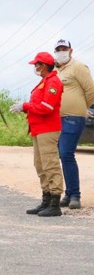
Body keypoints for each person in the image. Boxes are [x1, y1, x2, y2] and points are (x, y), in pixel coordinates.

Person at [9, 52, 64, 217]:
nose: (35, 68)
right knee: (40, 165)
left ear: (44, 66)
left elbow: (47, 107)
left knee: (50, 164)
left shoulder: (53, 82)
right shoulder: (44, 81)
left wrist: (25, 106)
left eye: (37, 65)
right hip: (39, 128)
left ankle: (55, 203)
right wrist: (27, 106)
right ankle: (46, 199)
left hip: (48, 128)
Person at [53, 39, 94, 209]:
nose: (61, 51)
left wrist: (83, 108)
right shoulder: (55, 70)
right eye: (58, 49)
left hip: (73, 117)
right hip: (56, 118)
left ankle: (75, 195)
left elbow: (90, 90)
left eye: (64, 48)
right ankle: (68, 194)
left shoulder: (79, 67)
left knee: (66, 154)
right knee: (62, 155)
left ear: (70, 51)